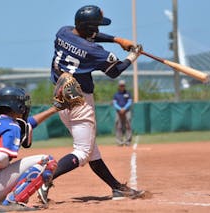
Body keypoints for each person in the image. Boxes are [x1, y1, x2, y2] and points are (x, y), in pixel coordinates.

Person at [38, 5, 145, 203]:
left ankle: (117, 187)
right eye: (96, 26)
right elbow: (115, 71)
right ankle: (45, 180)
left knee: (91, 150)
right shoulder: (95, 51)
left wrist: (116, 40)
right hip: (81, 102)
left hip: (61, 97)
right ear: (89, 28)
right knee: (82, 152)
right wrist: (133, 55)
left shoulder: (63, 32)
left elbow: (86, 37)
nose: (98, 30)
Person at [0, 87, 59, 212]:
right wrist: (7, 168)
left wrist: (54, 109)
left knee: (10, 173)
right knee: (47, 161)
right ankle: (13, 202)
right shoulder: (12, 126)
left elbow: (28, 123)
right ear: (17, 106)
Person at [113, 80, 133, 146]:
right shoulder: (116, 94)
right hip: (118, 111)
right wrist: (120, 109)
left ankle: (128, 141)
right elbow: (115, 103)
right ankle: (119, 142)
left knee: (128, 125)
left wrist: (124, 108)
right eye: (121, 85)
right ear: (119, 86)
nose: (122, 86)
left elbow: (130, 102)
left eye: (123, 85)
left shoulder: (128, 93)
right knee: (118, 126)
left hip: (127, 111)